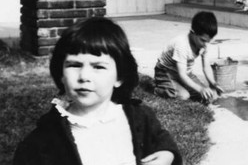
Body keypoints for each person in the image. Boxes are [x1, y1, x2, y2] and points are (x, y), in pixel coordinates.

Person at [13, 17, 182, 165]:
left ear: (119, 77)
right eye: (74, 65)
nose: (84, 76)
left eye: (98, 67)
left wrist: (167, 155)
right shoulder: (44, 139)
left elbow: (162, 141)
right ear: (61, 74)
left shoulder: (140, 118)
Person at [154, 11, 223, 104]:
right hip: (166, 72)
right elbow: (182, 75)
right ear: (192, 32)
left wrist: (213, 83)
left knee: (211, 95)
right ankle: (159, 89)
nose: (206, 44)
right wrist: (200, 89)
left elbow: (206, 67)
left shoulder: (204, 45)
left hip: (185, 73)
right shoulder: (182, 45)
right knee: (184, 96)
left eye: (208, 41)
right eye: (203, 40)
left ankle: (179, 86)